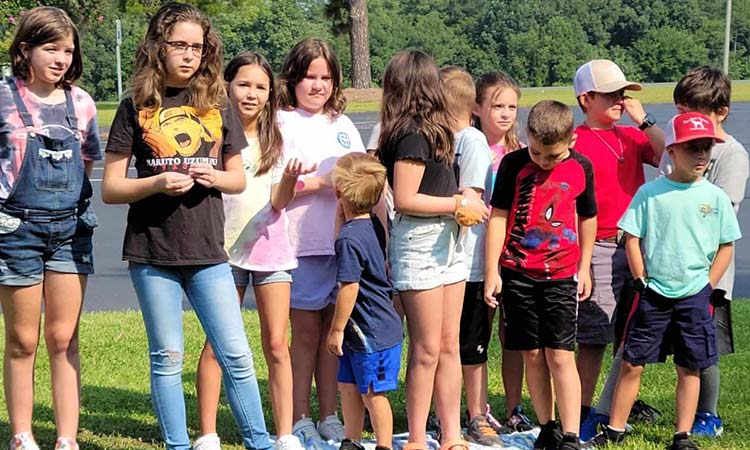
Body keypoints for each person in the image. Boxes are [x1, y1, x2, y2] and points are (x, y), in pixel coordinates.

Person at [101, 4, 271, 450]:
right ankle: (178, 445)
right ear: (158, 46)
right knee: (167, 357)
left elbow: (237, 178)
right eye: (180, 44)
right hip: (151, 251)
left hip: (208, 252)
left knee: (235, 354)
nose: (189, 55)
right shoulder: (135, 106)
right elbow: (112, 188)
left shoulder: (216, 105)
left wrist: (212, 176)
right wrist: (156, 182)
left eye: (197, 47)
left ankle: (261, 442)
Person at [588, 112, 741, 450]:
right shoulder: (651, 193)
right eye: (692, 148)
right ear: (671, 150)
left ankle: (682, 434)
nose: (701, 155)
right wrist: (641, 277)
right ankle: (615, 428)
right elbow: (631, 237)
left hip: (694, 296)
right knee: (632, 362)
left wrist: (707, 285)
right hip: (655, 292)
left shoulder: (714, 197)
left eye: (706, 148)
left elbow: (726, 245)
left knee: (691, 365)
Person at [193, 51, 311, 450]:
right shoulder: (212, 130)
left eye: (261, 87)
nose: (252, 94)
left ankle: (284, 434)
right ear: (227, 85)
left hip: (271, 250)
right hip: (220, 252)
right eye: (244, 84)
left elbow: (279, 202)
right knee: (218, 343)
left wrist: (292, 181)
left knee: (277, 343)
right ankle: (207, 433)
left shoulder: (276, 135)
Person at [0, 7, 101, 450]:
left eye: (67, 50)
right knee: (23, 339)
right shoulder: (3, 96)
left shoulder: (81, 103)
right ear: (26, 50)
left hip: (70, 230)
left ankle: (66, 438)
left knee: (63, 337)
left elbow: (89, 159)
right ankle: (23, 434)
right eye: (50, 49)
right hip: (16, 230)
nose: (61, 59)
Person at [378, 49, 488, 450]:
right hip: (421, 243)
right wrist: (459, 204)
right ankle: (418, 439)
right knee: (425, 349)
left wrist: (459, 207)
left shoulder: (436, 130)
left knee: (448, 344)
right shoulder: (411, 133)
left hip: (448, 241)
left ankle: (452, 435)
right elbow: (406, 198)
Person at [485, 100, 597, 450]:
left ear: (572, 142)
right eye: (535, 151)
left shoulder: (581, 167)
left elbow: (588, 217)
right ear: (527, 136)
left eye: (552, 156)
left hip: (562, 275)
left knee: (560, 354)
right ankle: (546, 425)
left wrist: (585, 267)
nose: (543, 161)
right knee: (531, 353)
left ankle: (571, 433)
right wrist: (493, 270)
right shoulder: (513, 164)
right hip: (518, 273)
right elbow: (499, 216)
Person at [276, 37, 365, 447]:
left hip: (341, 246)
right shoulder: (279, 122)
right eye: (309, 76)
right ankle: (298, 415)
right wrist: (320, 182)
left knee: (336, 333)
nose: (318, 85)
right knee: (306, 335)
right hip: (298, 246)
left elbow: (361, 178)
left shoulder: (342, 125)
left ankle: (330, 414)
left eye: (326, 77)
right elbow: (274, 188)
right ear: (293, 79)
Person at [571, 59, 666, 440]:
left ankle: (616, 403)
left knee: (629, 332)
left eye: (622, 94)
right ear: (586, 98)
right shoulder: (577, 140)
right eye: (610, 94)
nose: (619, 100)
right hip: (597, 245)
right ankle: (578, 408)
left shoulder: (631, 137)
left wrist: (642, 119)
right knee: (594, 335)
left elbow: (669, 155)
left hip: (635, 245)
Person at [657, 66, 750, 438]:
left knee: (703, 345)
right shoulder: (676, 144)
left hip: (708, 270)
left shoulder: (732, 155)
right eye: (680, 114)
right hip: (670, 266)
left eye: (693, 114)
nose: (685, 122)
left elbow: (720, 214)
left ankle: (707, 414)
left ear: (721, 112)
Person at [438, 66, 501, 448]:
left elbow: (471, 200)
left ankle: (476, 413)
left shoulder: (471, 141)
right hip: (448, 262)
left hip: (471, 260)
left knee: (472, 345)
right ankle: (442, 410)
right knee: (446, 342)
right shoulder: (444, 139)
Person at [325, 152, 403, 450]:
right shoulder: (371, 224)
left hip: (372, 333)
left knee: (372, 394)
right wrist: (340, 214)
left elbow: (349, 288)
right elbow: (341, 245)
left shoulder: (350, 238)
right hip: (363, 334)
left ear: (338, 193)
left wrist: (335, 329)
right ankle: (351, 440)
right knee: (348, 387)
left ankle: (384, 445)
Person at [472, 70, 533, 433]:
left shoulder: (520, 154)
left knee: (514, 336)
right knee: (477, 334)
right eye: (497, 106)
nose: (506, 113)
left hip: (515, 255)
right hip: (476, 255)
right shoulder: (468, 145)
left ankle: (514, 407)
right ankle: (475, 407)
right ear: (477, 108)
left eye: (512, 106)